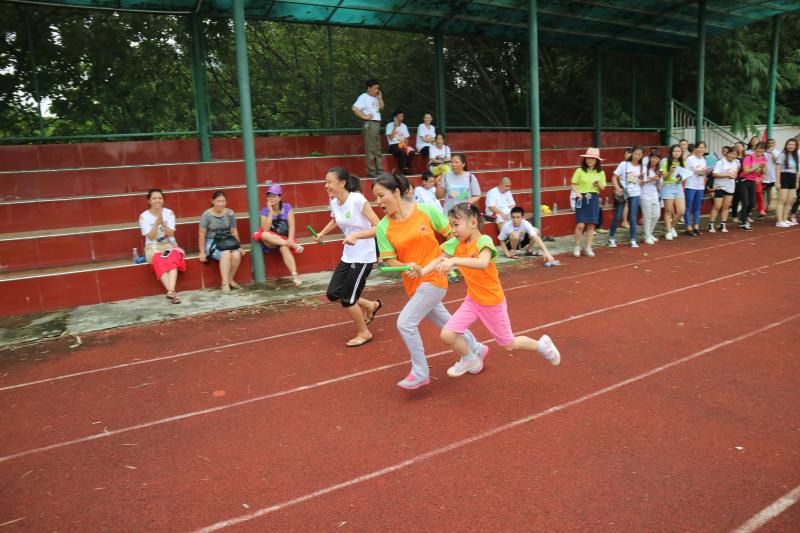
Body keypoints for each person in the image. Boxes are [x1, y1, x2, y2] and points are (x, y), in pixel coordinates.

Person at [415, 203, 560, 378]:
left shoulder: (484, 241)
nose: (452, 230)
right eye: (451, 225)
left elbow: (482, 263)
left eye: (456, 225)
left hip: (492, 303)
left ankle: (542, 345)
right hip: (473, 301)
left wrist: (454, 261)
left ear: (473, 223)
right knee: (447, 334)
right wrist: (422, 271)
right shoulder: (454, 243)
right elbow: (440, 258)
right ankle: (469, 358)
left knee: (509, 344)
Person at [373, 173, 486, 390]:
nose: (378, 202)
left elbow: (453, 235)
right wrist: (407, 266)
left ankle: (420, 371)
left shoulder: (426, 211)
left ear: (396, 192)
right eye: (375, 197)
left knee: (405, 323)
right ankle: (476, 348)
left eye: (381, 195)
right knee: (445, 321)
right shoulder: (382, 227)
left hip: (435, 277)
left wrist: (444, 257)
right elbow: (389, 260)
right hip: (413, 282)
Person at [313, 167, 383, 347]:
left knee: (348, 299)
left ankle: (364, 332)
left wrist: (356, 236)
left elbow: (380, 228)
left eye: (329, 182)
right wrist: (322, 233)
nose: (326, 185)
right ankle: (370, 305)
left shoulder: (358, 200)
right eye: (325, 182)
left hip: (364, 256)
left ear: (342, 183)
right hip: (349, 256)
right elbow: (336, 219)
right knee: (333, 293)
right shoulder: (335, 202)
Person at [138, 188, 186, 304]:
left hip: (167, 245)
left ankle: (170, 291)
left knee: (172, 257)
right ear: (149, 201)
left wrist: (163, 224)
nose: (157, 201)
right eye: (154, 198)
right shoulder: (143, 216)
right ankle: (172, 292)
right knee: (160, 259)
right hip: (152, 247)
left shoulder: (169, 213)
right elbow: (150, 236)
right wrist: (156, 224)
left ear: (163, 200)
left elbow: (170, 234)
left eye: (160, 198)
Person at [252, 183, 304, 286]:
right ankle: (292, 245)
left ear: (280, 197)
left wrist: (290, 239)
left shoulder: (287, 207)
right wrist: (270, 212)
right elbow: (265, 229)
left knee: (284, 247)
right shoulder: (264, 211)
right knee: (264, 235)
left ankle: (295, 276)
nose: (271, 198)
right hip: (271, 241)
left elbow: (291, 225)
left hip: (285, 239)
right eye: (269, 196)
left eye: (274, 196)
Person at [198, 191, 244, 293]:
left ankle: (230, 279)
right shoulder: (206, 215)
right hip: (212, 241)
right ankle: (225, 283)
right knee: (226, 254)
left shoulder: (230, 213)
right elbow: (202, 234)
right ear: (212, 201)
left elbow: (233, 231)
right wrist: (202, 251)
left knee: (236, 254)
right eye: (218, 201)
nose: (220, 204)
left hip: (227, 240)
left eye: (223, 201)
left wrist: (238, 245)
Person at [571, 147, 606, 257]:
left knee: (591, 224)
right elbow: (573, 183)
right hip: (581, 198)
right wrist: (577, 192)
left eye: (592, 158)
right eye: (588, 158)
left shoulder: (600, 172)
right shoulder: (579, 170)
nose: (589, 160)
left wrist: (598, 184)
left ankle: (588, 247)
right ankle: (577, 246)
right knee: (580, 224)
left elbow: (603, 188)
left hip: (593, 198)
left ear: (597, 160)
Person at [609, 145, 644, 248]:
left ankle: (633, 239)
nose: (637, 156)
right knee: (618, 215)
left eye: (640, 154)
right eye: (636, 154)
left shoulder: (642, 167)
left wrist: (641, 179)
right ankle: (611, 238)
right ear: (632, 153)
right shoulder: (624, 164)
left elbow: (641, 183)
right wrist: (617, 187)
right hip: (623, 192)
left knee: (633, 217)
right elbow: (614, 177)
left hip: (635, 193)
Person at [351, 79, 384, 179]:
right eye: (375, 88)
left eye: (378, 88)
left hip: (376, 124)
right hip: (370, 124)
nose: (377, 90)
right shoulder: (363, 97)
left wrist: (380, 98)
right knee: (370, 148)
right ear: (369, 88)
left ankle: (380, 170)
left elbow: (381, 107)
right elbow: (354, 108)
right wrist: (364, 117)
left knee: (377, 148)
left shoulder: (376, 97)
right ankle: (372, 171)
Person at [708, 146, 739, 233]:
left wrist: (733, 176)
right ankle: (711, 223)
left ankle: (723, 224)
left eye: (735, 154)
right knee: (717, 206)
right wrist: (727, 175)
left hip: (730, 187)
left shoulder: (735, 163)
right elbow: (714, 174)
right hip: (720, 186)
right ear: (727, 153)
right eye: (731, 153)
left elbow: (735, 173)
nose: (733, 156)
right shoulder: (721, 162)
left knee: (726, 206)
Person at [659, 144, 687, 241]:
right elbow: (664, 178)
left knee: (681, 211)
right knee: (668, 211)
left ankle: (670, 227)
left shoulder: (683, 163)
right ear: (671, 152)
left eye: (679, 151)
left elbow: (683, 177)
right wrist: (670, 172)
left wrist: (681, 180)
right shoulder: (666, 162)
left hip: (678, 186)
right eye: (674, 151)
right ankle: (669, 231)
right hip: (668, 186)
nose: (676, 153)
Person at [739, 142, 767, 231]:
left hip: (753, 182)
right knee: (745, 203)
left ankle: (744, 217)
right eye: (759, 148)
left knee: (752, 204)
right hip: (744, 181)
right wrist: (758, 166)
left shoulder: (764, 158)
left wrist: (762, 170)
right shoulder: (749, 157)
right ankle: (743, 223)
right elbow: (746, 171)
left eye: (763, 149)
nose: (760, 150)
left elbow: (762, 172)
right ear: (755, 148)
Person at [684, 141, 708, 236]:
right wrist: (697, 171)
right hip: (690, 185)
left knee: (697, 207)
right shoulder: (690, 159)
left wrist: (702, 173)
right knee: (688, 206)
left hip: (700, 186)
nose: (701, 149)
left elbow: (704, 172)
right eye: (700, 147)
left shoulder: (703, 160)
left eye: (703, 148)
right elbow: (686, 172)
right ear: (695, 148)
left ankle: (696, 226)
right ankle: (688, 226)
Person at [775, 138, 799, 227]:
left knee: (789, 201)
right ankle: (779, 221)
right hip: (784, 177)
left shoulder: (796, 155)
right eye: (789, 144)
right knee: (782, 200)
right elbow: (777, 168)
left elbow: (796, 170)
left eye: (793, 145)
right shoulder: (782, 154)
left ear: (796, 146)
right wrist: (777, 182)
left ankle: (784, 219)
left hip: (792, 178)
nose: (791, 146)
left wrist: (796, 181)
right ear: (786, 145)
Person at [640, 150, 661, 245]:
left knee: (656, 215)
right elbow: (641, 182)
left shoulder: (659, 170)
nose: (654, 160)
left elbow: (658, 184)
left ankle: (649, 233)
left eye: (656, 158)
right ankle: (647, 236)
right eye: (653, 157)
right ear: (650, 158)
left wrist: (659, 183)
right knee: (647, 216)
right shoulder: (645, 168)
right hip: (644, 193)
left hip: (654, 194)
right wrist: (653, 179)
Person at [386, 109, 415, 175]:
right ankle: (401, 171)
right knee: (401, 152)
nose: (401, 118)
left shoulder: (404, 126)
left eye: (402, 116)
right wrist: (395, 127)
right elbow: (390, 138)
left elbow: (407, 138)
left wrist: (406, 146)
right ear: (395, 118)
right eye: (400, 117)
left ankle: (407, 168)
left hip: (403, 144)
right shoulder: (389, 125)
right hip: (393, 145)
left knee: (411, 152)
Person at [763, 138, 780, 215]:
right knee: (764, 191)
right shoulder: (763, 152)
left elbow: (777, 161)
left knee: (771, 191)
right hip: (764, 175)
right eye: (769, 143)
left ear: (775, 144)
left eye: (772, 143)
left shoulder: (777, 152)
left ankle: (769, 206)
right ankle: (762, 206)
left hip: (773, 175)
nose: (770, 144)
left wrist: (772, 153)